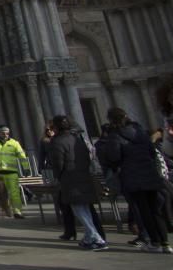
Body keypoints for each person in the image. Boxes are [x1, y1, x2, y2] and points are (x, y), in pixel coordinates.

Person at [97, 108, 171, 253]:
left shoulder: (115, 135)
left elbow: (114, 157)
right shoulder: (140, 132)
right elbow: (151, 151)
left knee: (144, 210)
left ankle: (154, 243)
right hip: (150, 174)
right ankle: (165, 243)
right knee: (155, 210)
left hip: (132, 176)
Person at [49, 115, 108, 251]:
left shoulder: (57, 142)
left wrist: (58, 176)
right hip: (83, 175)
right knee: (84, 208)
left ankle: (96, 238)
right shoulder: (77, 140)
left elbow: (58, 163)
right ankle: (88, 238)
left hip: (70, 179)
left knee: (79, 209)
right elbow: (88, 157)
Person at [0, 124, 26, 218]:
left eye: (7, 133)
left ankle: (17, 212)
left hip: (12, 172)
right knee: (2, 194)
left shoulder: (14, 143)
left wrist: (26, 168)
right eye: (3, 133)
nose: (5, 135)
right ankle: (7, 211)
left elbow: (22, 156)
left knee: (15, 193)